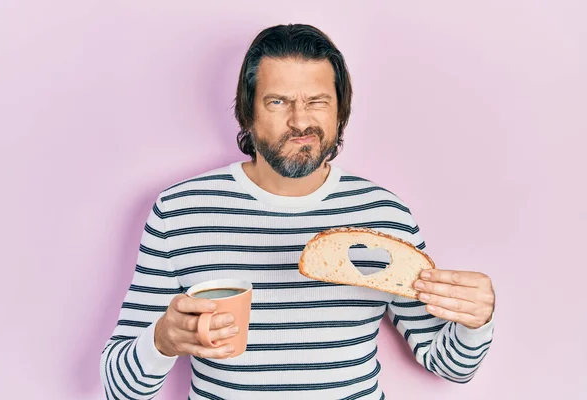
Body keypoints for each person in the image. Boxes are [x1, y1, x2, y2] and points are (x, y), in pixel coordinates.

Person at [100, 23, 495, 400]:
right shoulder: (181, 212)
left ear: (340, 111)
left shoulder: (382, 213)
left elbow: (449, 364)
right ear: (247, 112)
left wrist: (477, 321)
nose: (300, 120)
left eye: (317, 101)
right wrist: (162, 341)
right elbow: (120, 389)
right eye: (278, 101)